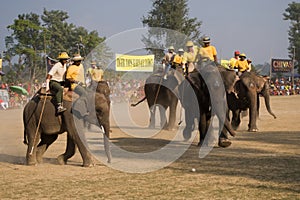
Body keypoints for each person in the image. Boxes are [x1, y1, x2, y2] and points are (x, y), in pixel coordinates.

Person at [66, 54, 90, 119]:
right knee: (84, 94)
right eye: (78, 61)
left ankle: (89, 109)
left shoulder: (81, 66)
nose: (79, 62)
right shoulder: (71, 68)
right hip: (75, 85)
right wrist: (76, 81)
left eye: (80, 60)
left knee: (91, 94)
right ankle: (75, 105)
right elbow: (68, 78)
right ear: (74, 61)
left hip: (83, 84)